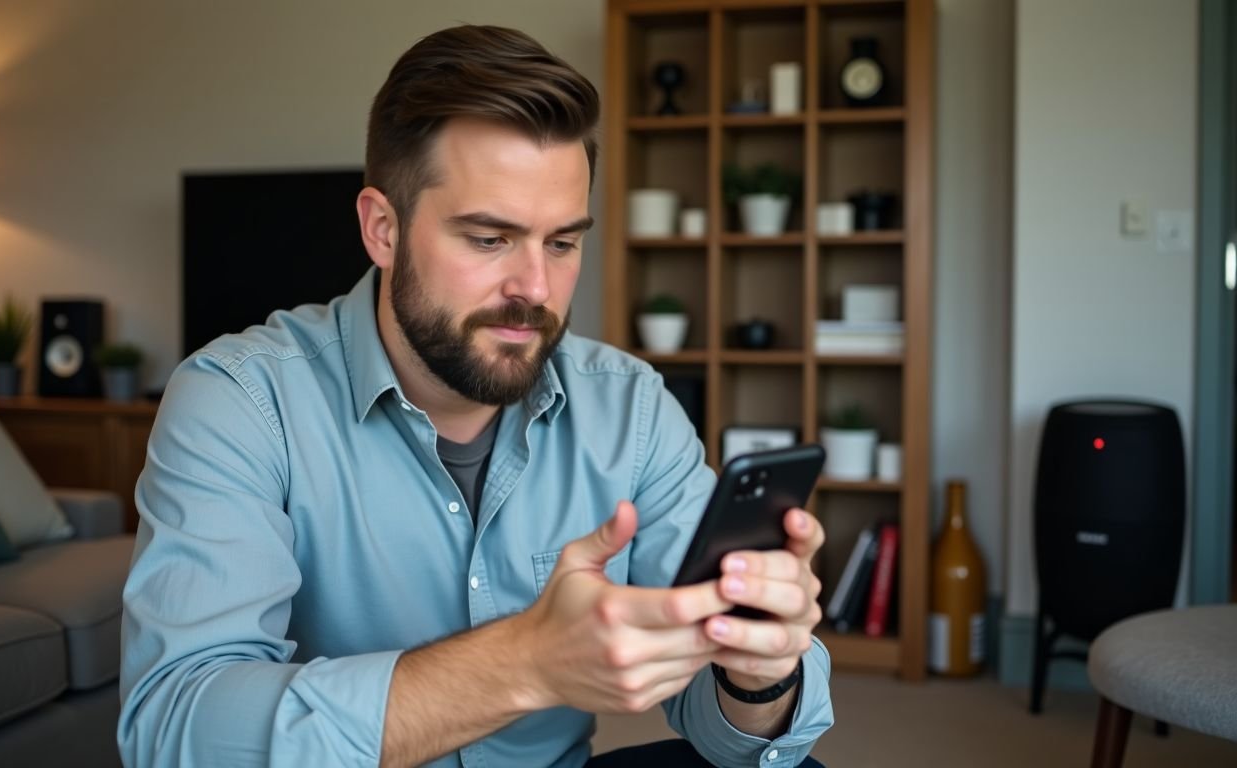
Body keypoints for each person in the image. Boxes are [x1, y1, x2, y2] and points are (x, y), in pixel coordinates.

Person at [118, 24, 833, 768]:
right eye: (490, 239)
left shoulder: (630, 409)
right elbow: (178, 732)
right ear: (383, 228)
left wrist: (757, 672)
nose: (535, 288)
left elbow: (732, 733)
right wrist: (523, 663)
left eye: (561, 242)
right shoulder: (238, 401)